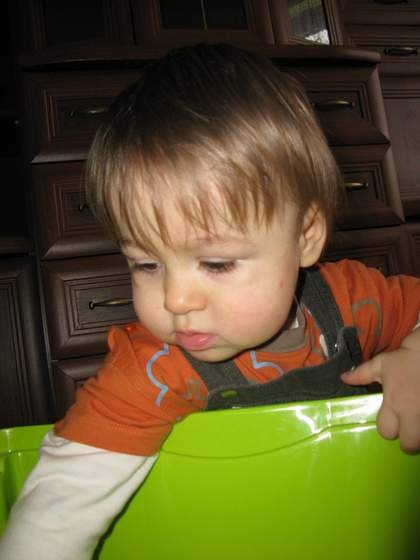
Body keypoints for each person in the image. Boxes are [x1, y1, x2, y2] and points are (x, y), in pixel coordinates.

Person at [1, 43, 420, 560]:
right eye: (146, 264)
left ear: (305, 237)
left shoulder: (355, 301)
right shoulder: (152, 370)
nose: (176, 300)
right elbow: (57, 509)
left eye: (217, 263)